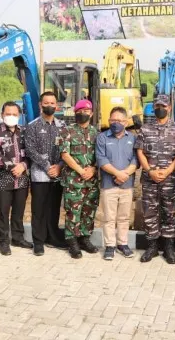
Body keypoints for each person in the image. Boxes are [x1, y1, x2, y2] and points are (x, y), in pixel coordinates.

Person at [135, 94, 175, 264]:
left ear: (169, 108)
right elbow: (139, 151)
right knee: (150, 212)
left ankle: (168, 247)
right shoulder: (145, 129)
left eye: (163, 106)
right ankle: (152, 246)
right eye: (157, 106)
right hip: (150, 178)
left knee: (169, 212)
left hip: (170, 179)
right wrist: (149, 170)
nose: (160, 109)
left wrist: (169, 170)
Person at [24, 92, 68, 256]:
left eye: (52, 102)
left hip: (58, 174)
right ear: (40, 105)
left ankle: (52, 237)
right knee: (39, 210)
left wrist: (59, 166)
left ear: (56, 106)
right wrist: (48, 167)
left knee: (54, 208)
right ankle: (39, 241)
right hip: (40, 176)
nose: (49, 105)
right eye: (46, 102)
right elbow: (30, 150)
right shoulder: (32, 126)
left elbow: (66, 149)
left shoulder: (62, 126)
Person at [0, 101, 32, 256]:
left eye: (14, 114)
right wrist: (14, 167)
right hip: (2, 180)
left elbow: (30, 152)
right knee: (3, 212)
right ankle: (4, 242)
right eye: (8, 114)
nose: (11, 116)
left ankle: (18, 238)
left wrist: (24, 166)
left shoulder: (25, 131)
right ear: (2, 115)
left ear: (19, 116)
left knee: (18, 211)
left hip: (21, 180)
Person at [59, 99, 100, 259]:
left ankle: (85, 238)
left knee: (88, 211)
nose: (83, 113)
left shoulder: (96, 133)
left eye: (86, 111)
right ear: (75, 112)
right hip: (73, 181)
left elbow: (101, 155)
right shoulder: (67, 131)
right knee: (73, 212)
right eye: (80, 111)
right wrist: (81, 171)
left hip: (91, 180)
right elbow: (64, 154)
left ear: (91, 113)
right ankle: (72, 242)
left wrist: (93, 168)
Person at [96, 106, 137, 261]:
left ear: (126, 122)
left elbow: (135, 159)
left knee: (124, 217)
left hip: (127, 185)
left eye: (119, 120)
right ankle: (110, 246)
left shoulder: (132, 138)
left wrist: (125, 174)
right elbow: (101, 159)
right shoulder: (102, 138)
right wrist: (117, 174)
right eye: (113, 120)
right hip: (109, 184)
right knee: (109, 217)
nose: (116, 123)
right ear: (108, 120)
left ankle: (123, 243)